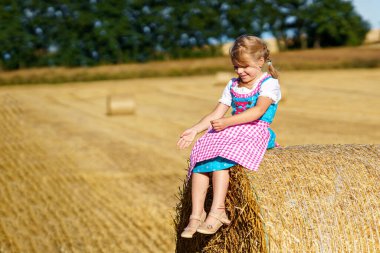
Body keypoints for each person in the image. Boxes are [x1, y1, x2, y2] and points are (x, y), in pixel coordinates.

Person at [177, 35, 281, 238]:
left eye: (245, 66)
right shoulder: (233, 85)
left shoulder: (269, 84)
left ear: (260, 62)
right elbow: (216, 114)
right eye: (236, 67)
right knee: (201, 153)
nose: (240, 71)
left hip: (256, 131)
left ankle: (218, 210)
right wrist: (195, 129)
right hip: (233, 130)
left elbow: (257, 112)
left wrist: (227, 123)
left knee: (221, 156)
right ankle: (196, 214)